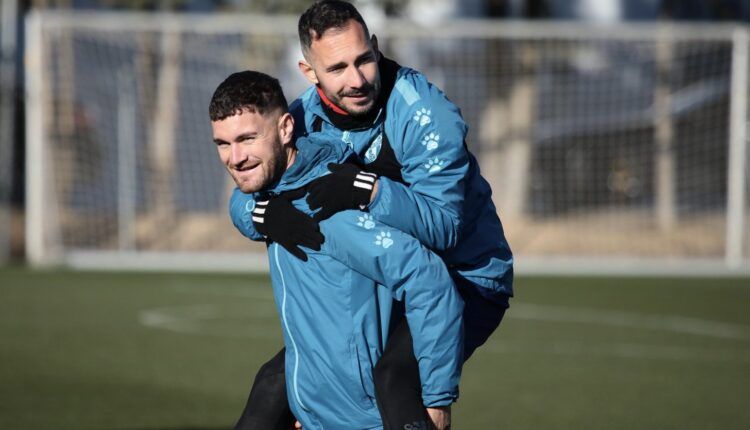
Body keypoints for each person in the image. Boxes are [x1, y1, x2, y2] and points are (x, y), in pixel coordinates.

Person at [230, 1, 514, 428]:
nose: (357, 78)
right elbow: (254, 175)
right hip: (388, 281)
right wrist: (260, 213)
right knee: (276, 383)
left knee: (394, 377)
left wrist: (369, 189)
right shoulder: (302, 117)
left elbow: (447, 228)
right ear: (309, 72)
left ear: (376, 48)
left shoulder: (424, 114)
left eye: (364, 60)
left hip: (464, 278)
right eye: (338, 68)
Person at [210, 70, 464, 430]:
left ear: (285, 130)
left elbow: (430, 280)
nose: (235, 158)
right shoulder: (274, 193)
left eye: (247, 139)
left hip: (360, 419)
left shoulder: (330, 210)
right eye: (223, 143)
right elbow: (242, 206)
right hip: (316, 414)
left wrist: (437, 398)